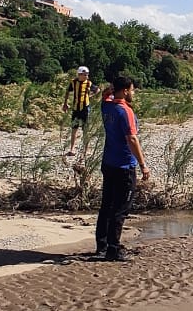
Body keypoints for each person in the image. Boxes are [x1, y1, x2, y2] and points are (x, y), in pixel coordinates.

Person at [95, 74, 150, 261]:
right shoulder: (124, 110)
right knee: (120, 208)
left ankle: (102, 245)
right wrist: (143, 165)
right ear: (125, 91)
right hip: (123, 165)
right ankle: (113, 248)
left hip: (108, 163)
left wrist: (110, 90)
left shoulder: (106, 105)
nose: (134, 93)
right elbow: (132, 139)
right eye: (132, 89)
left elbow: (104, 95)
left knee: (107, 205)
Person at [64, 66, 94, 155]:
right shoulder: (73, 82)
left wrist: (90, 95)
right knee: (74, 128)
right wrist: (65, 103)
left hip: (85, 108)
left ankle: (86, 149)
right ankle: (72, 149)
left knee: (85, 129)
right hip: (76, 108)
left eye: (87, 74)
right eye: (84, 75)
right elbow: (67, 91)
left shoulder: (89, 83)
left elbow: (97, 90)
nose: (86, 76)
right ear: (79, 75)